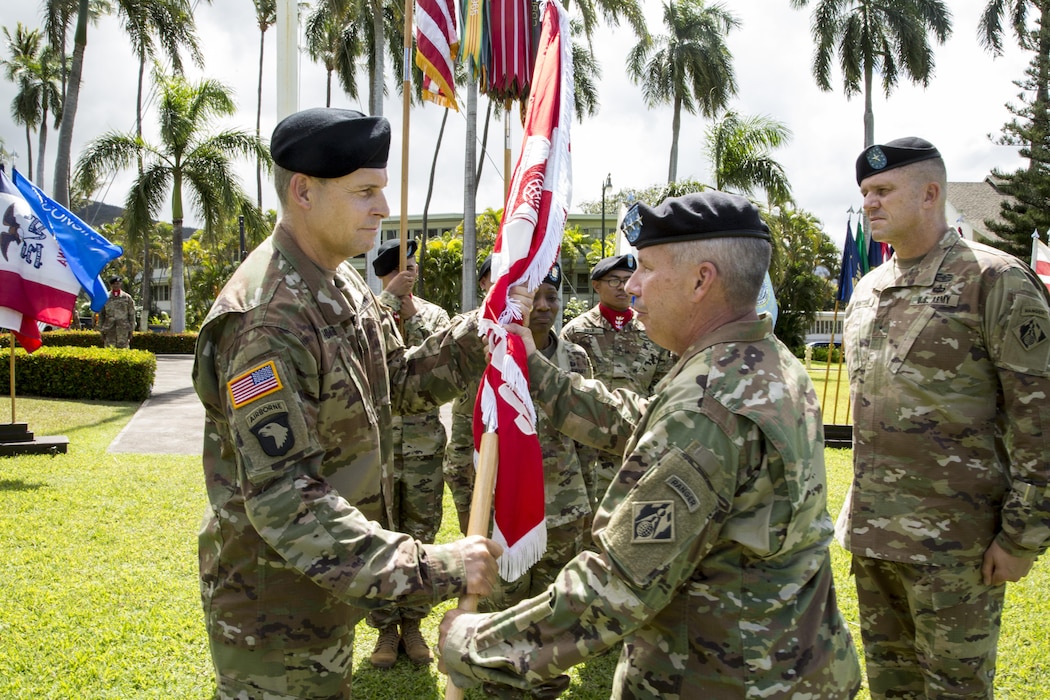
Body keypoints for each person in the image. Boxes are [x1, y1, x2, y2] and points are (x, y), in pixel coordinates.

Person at [439, 191, 861, 699]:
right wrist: (534, 368)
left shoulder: (707, 403)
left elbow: (617, 585)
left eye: (644, 268)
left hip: (723, 678)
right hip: (782, 660)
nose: (631, 286)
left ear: (701, 280)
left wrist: (474, 642)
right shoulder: (760, 361)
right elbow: (638, 422)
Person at [192, 107, 524, 700]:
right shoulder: (268, 318)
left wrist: (485, 329)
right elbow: (284, 499)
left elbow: (396, 380)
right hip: (276, 603)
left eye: (382, 191)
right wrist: (434, 566)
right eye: (365, 192)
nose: (381, 208)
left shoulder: (337, 281)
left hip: (329, 580)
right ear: (303, 192)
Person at [840, 137, 1050, 699]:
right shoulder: (867, 290)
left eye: (883, 190)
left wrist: (1023, 536)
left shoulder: (995, 281)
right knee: (892, 687)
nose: (870, 203)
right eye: (865, 192)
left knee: (955, 690)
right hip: (874, 536)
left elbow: (1040, 415)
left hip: (956, 544)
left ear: (931, 193)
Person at [367, 238, 451, 668]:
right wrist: (386, 302)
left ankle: (414, 624)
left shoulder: (434, 314)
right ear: (384, 270)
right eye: (403, 266)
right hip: (374, 451)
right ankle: (384, 629)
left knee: (421, 538)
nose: (412, 271)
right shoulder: (364, 311)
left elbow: (432, 364)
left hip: (421, 451)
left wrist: (411, 313)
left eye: (415, 265)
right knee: (378, 538)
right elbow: (363, 352)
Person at [561, 253, 674, 509]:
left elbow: (665, 381)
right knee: (587, 510)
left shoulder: (653, 328)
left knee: (633, 508)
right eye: (613, 280)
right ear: (596, 285)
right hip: (588, 438)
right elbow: (566, 385)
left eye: (628, 279)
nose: (622, 287)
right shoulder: (576, 331)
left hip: (637, 437)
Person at [444, 255, 494, 535]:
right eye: (496, 276)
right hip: (469, 432)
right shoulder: (466, 325)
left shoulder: (523, 327)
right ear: (484, 282)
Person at [99, 275, 135, 348]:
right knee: (109, 351)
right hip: (109, 329)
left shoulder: (127, 298)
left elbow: (131, 314)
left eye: (118, 283)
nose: (116, 285)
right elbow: (101, 314)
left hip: (123, 329)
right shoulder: (105, 297)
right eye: (114, 284)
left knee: (123, 351)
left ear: (120, 284)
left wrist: (131, 329)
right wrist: (101, 329)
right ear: (111, 285)